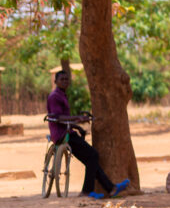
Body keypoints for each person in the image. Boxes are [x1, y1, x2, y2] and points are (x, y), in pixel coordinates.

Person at [46, 70, 129, 199]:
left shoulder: (62, 95)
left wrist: (77, 125)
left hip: (67, 131)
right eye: (62, 79)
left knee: (90, 159)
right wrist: (78, 118)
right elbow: (59, 119)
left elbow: (63, 120)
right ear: (55, 81)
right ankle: (87, 191)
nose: (65, 81)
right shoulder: (55, 96)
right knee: (93, 155)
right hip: (62, 135)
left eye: (67, 79)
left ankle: (111, 188)